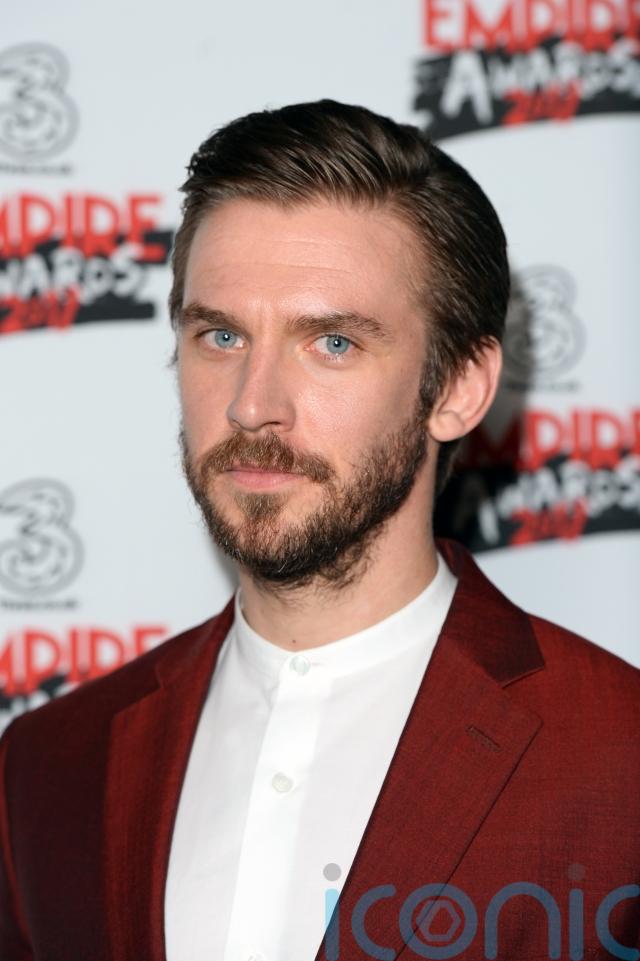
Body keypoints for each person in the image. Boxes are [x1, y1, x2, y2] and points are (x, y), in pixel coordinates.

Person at [0, 100, 638, 961]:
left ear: (458, 387)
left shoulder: (617, 759)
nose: (252, 404)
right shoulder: (48, 766)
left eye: (331, 342)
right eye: (221, 334)